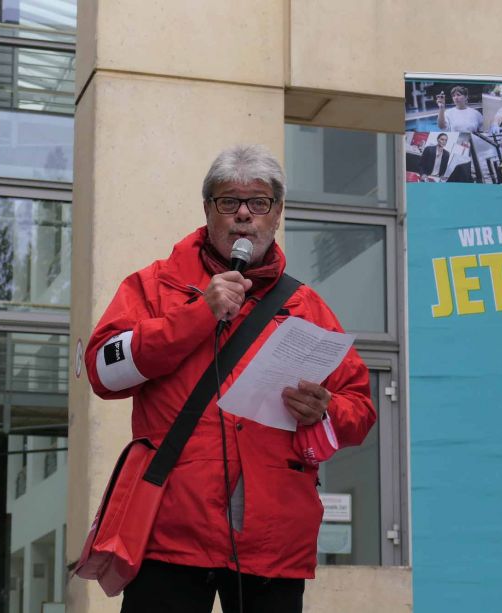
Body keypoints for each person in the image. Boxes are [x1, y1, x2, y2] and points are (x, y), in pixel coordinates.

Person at [85, 144, 376, 613]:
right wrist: (196, 316)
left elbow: (360, 410)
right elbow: (102, 370)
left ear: (277, 213)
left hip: (272, 538)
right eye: (229, 202)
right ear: (207, 210)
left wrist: (325, 410)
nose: (244, 215)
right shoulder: (155, 286)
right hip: (170, 532)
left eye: (258, 203)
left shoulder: (308, 307)